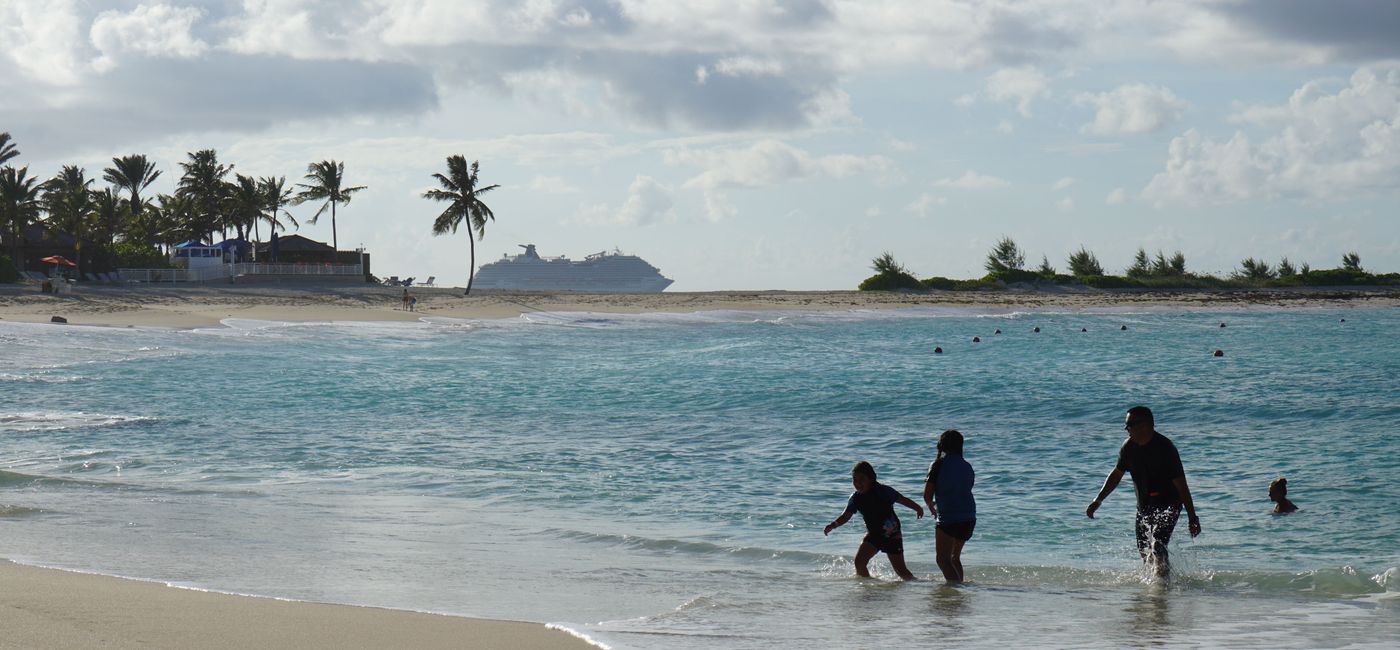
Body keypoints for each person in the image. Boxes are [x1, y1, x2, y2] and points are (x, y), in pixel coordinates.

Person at [1086, 406, 1201, 577]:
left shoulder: (1166, 449)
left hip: (1169, 504)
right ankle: (1156, 586)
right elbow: (1116, 475)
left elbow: (1181, 485)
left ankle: (1162, 587)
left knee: (1158, 546)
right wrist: (1098, 500)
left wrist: (1192, 517)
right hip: (1144, 505)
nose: (1126, 429)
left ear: (1145, 425)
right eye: (1126, 425)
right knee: (1144, 550)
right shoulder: (1128, 448)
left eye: (1130, 424)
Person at [824, 461, 923, 580]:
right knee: (859, 563)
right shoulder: (856, 498)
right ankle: (869, 588)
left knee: (901, 571)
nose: (857, 483)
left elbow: (902, 499)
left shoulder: (884, 491)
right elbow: (846, 515)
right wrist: (833, 525)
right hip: (873, 535)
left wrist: (917, 508)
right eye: (854, 480)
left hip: (892, 534)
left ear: (871, 478)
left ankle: (918, 586)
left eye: (862, 479)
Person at [923, 430, 976, 583]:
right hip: (969, 517)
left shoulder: (938, 464)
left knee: (943, 560)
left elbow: (927, 495)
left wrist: (931, 507)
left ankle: (955, 591)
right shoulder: (967, 466)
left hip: (949, 518)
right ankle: (960, 588)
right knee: (954, 558)